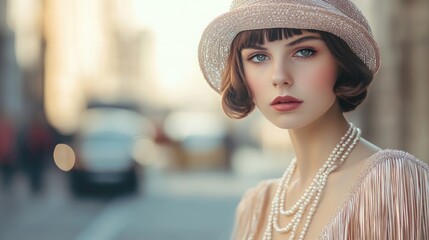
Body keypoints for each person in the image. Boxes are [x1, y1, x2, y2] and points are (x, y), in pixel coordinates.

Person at [198, 0, 429, 239]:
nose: (279, 77)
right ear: (242, 72)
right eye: (258, 57)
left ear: (341, 62)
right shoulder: (255, 206)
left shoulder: (391, 181)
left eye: (304, 52)